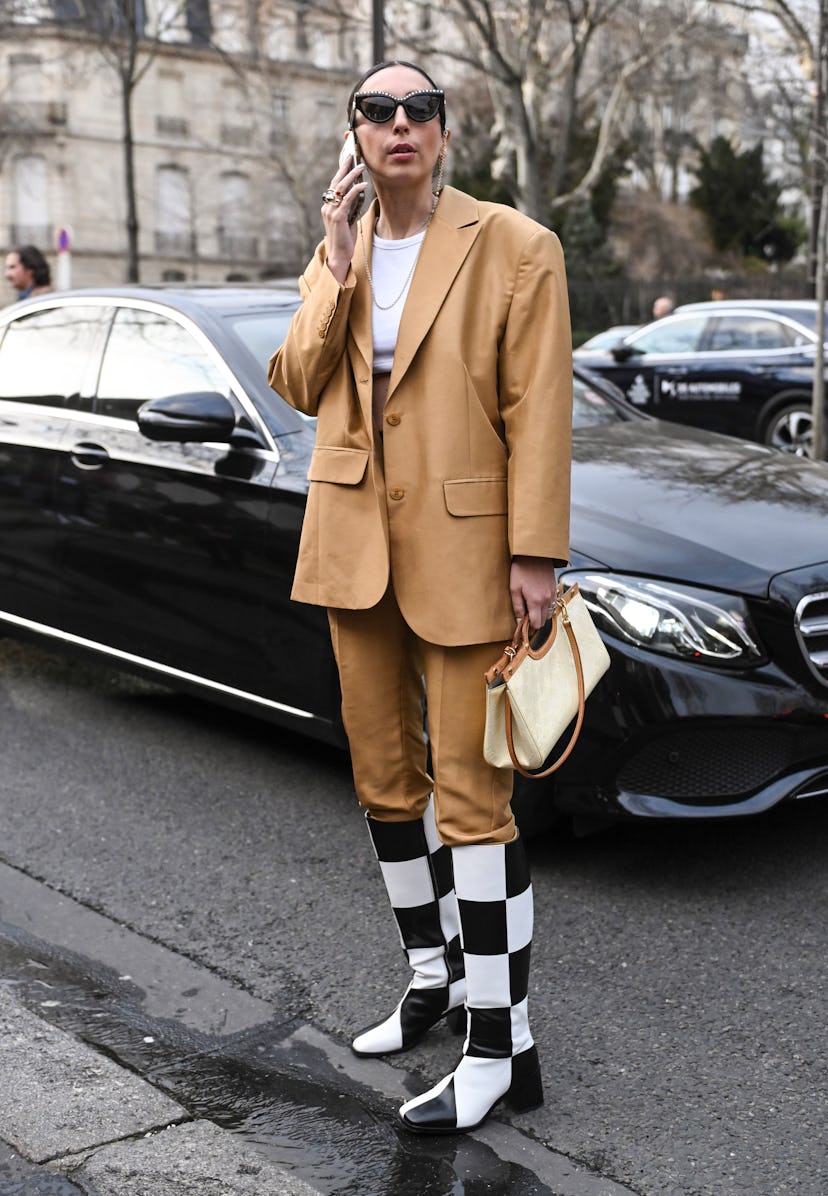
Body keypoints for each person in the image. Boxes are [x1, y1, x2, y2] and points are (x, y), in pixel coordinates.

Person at [268, 60, 572, 1135]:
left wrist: (535, 553)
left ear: (444, 131)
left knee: (473, 801)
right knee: (385, 781)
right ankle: (434, 980)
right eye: (378, 110)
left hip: (467, 554)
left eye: (420, 110)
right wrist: (339, 258)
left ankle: (500, 1049)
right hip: (357, 548)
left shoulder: (514, 245)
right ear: (356, 133)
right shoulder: (339, 249)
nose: (401, 125)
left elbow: (540, 408)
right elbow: (297, 381)